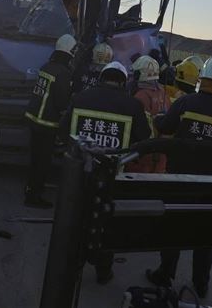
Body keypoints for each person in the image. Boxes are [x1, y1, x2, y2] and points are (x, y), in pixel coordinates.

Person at [146, 55, 212, 298]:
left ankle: (165, 274)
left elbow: (166, 127)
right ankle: (201, 284)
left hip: (179, 182)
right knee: (205, 236)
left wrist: (159, 119)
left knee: (173, 230)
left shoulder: (185, 103)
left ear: (204, 78)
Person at [59, 61, 152, 284]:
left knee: (77, 220)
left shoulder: (81, 98)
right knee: (105, 223)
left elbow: (63, 132)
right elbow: (144, 138)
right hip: (111, 178)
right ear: (123, 82)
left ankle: (73, 266)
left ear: (102, 78)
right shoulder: (133, 105)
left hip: (79, 176)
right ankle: (103, 271)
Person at [23, 34, 77, 208]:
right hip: (47, 124)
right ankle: (34, 197)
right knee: (43, 162)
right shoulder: (64, 73)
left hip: (33, 120)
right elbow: (61, 102)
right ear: (70, 52)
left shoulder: (47, 66)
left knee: (35, 159)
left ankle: (30, 189)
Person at [125, 55, 171, 173]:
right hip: (161, 157)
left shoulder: (141, 96)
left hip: (142, 159)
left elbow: (139, 130)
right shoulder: (163, 94)